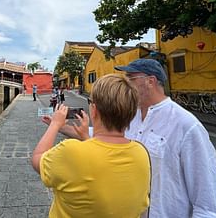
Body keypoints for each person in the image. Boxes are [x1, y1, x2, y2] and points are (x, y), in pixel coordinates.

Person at [43, 59, 216, 218]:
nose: (126, 84)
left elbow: (209, 203)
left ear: (150, 81)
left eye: (130, 79)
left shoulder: (186, 125)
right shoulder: (131, 115)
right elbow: (97, 136)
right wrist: (58, 126)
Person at [32, 74, 151, 218]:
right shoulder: (141, 153)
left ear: (94, 110)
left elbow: (37, 159)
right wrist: (87, 138)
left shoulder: (71, 151)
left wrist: (55, 124)